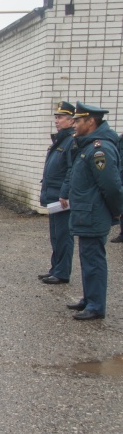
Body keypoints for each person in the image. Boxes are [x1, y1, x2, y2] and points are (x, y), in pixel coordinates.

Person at [65, 101, 123, 320]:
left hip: (93, 213)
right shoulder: (88, 146)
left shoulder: (100, 149)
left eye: (78, 120)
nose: (74, 124)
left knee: (94, 260)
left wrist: (117, 211)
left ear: (90, 122)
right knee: (87, 258)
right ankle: (89, 299)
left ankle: (96, 306)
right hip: (86, 213)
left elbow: (112, 186)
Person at [38, 101, 75, 285]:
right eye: (56, 117)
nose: (56, 121)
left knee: (63, 236)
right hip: (53, 196)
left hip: (62, 198)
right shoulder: (60, 140)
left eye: (60, 118)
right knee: (55, 235)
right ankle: (55, 268)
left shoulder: (71, 142)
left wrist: (65, 193)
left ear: (71, 121)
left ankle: (62, 272)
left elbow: (71, 170)